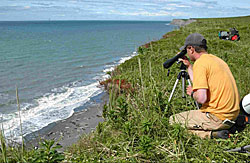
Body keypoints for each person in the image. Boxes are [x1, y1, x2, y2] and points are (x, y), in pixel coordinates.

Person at [169, 33, 240, 139]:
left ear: (191, 49)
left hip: (217, 117)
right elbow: (201, 83)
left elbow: (201, 98)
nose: (187, 54)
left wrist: (193, 93)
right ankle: (222, 130)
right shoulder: (216, 60)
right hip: (232, 115)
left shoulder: (200, 63)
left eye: (187, 51)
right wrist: (189, 67)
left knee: (172, 120)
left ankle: (211, 135)